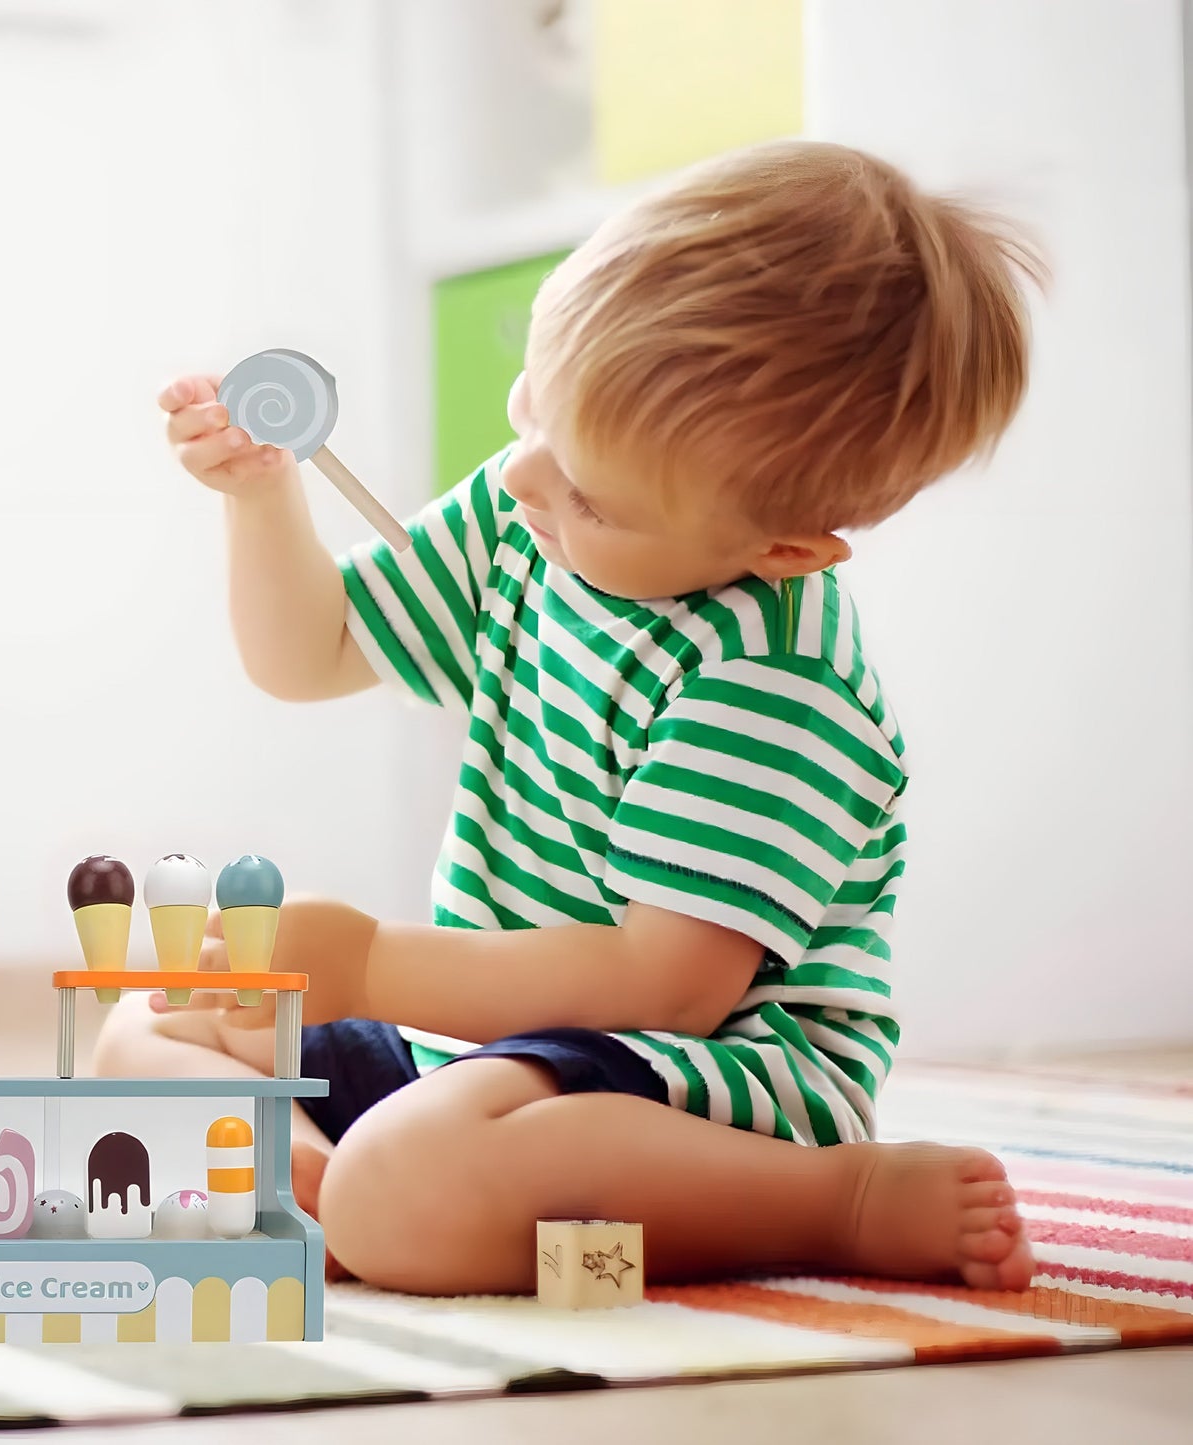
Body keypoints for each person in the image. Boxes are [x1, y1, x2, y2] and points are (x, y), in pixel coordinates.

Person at [97, 140, 1042, 1296]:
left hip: (703, 1084)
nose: (528, 479)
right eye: (533, 403)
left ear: (782, 548)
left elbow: (664, 987)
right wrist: (260, 498)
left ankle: (833, 1203)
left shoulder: (771, 680)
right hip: (486, 1056)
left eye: (589, 491)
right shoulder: (534, 511)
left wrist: (369, 961)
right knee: (148, 1034)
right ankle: (327, 1187)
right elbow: (315, 651)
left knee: (411, 1182)